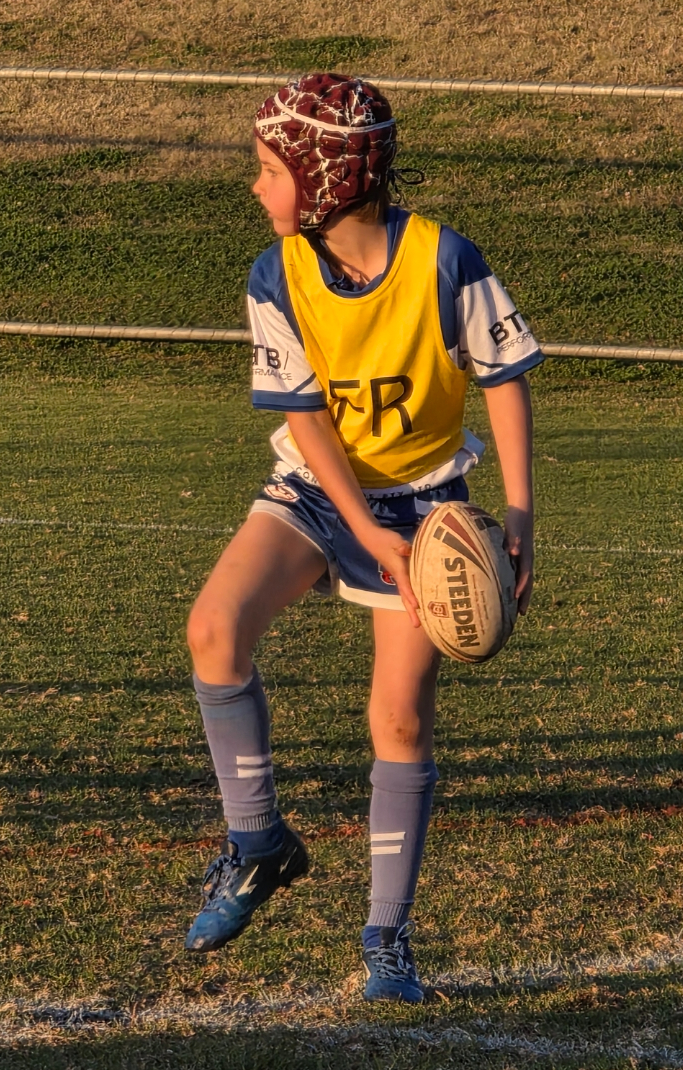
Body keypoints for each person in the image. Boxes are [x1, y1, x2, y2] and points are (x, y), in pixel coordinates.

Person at [184, 73, 542, 1003]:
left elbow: (503, 377)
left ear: (325, 179)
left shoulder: (444, 259)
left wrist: (517, 515)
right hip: (318, 491)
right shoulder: (277, 273)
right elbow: (306, 422)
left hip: (424, 508)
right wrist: (361, 532)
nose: (256, 186)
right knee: (214, 629)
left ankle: (387, 937)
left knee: (399, 718)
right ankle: (259, 845)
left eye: (269, 169)